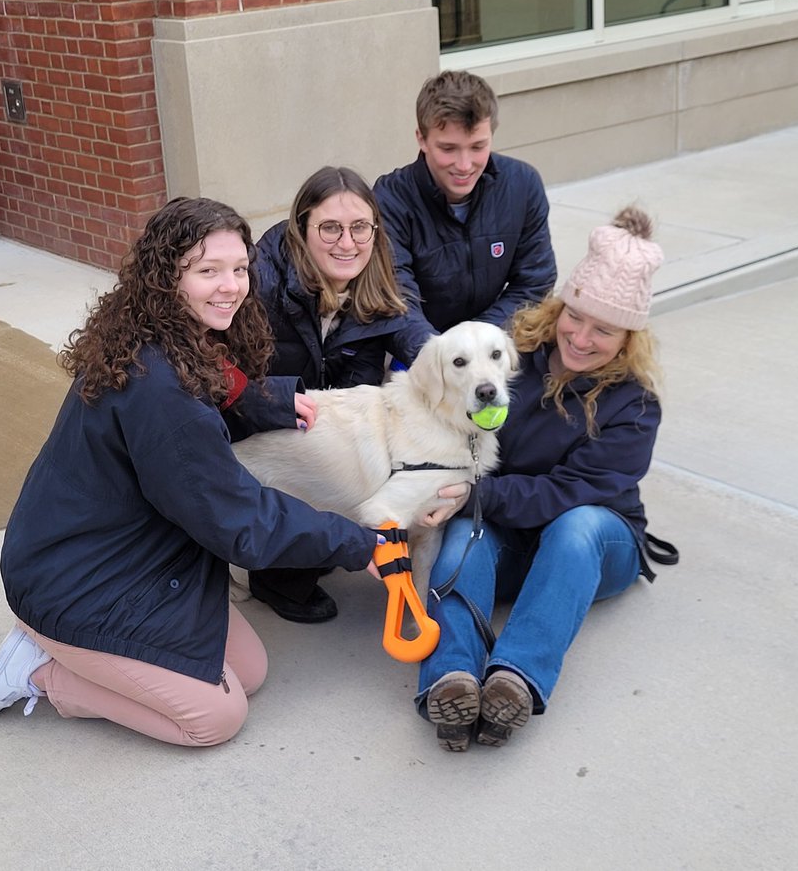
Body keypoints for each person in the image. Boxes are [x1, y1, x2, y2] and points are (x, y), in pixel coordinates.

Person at [0, 197, 385, 747]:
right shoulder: (161, 391)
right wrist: (360, 543)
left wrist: (270, 401)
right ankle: (37, 673)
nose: (231, 286)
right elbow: (240, 519)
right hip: (76, 580)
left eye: (239, 269)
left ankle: (76, 653)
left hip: (132, 548)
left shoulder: (159, 337)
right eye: (207, 271)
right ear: (169, 278)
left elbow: (221, 381)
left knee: (251, 671)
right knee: (214, 718)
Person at [416, 206, 676, 752]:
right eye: (574, 317)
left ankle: (515, 678)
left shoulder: (635, 405)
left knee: (575, 525)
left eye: (603, 329)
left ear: (628, 338)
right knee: (468, 530)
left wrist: (476, 494)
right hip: (512, 530)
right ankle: (453, 677)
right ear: (560, 307)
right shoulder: (514, 356)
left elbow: (567, 493)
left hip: (596, 546)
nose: (580, 338)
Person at [247, 166, 420, 623]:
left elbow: (420, 344)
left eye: (360, 227)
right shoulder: (260, 281)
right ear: (302, 228)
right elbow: (221, 375)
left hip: (313, 429)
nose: (348, 243)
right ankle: (270, 572)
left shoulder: (376, 287)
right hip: (253, 429)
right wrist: (278, 402)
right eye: (330, 228)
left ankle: (306, 543)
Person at [373, 69, 557, 366]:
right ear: (421, 138)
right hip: (426, 352)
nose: (464, 164)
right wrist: (448, 359)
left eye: (478, 147)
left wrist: (479, 345)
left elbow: (535, 282)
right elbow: (395, 299)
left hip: (498, 339)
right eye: (448, 148)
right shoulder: (390, 199)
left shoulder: (523, 185)